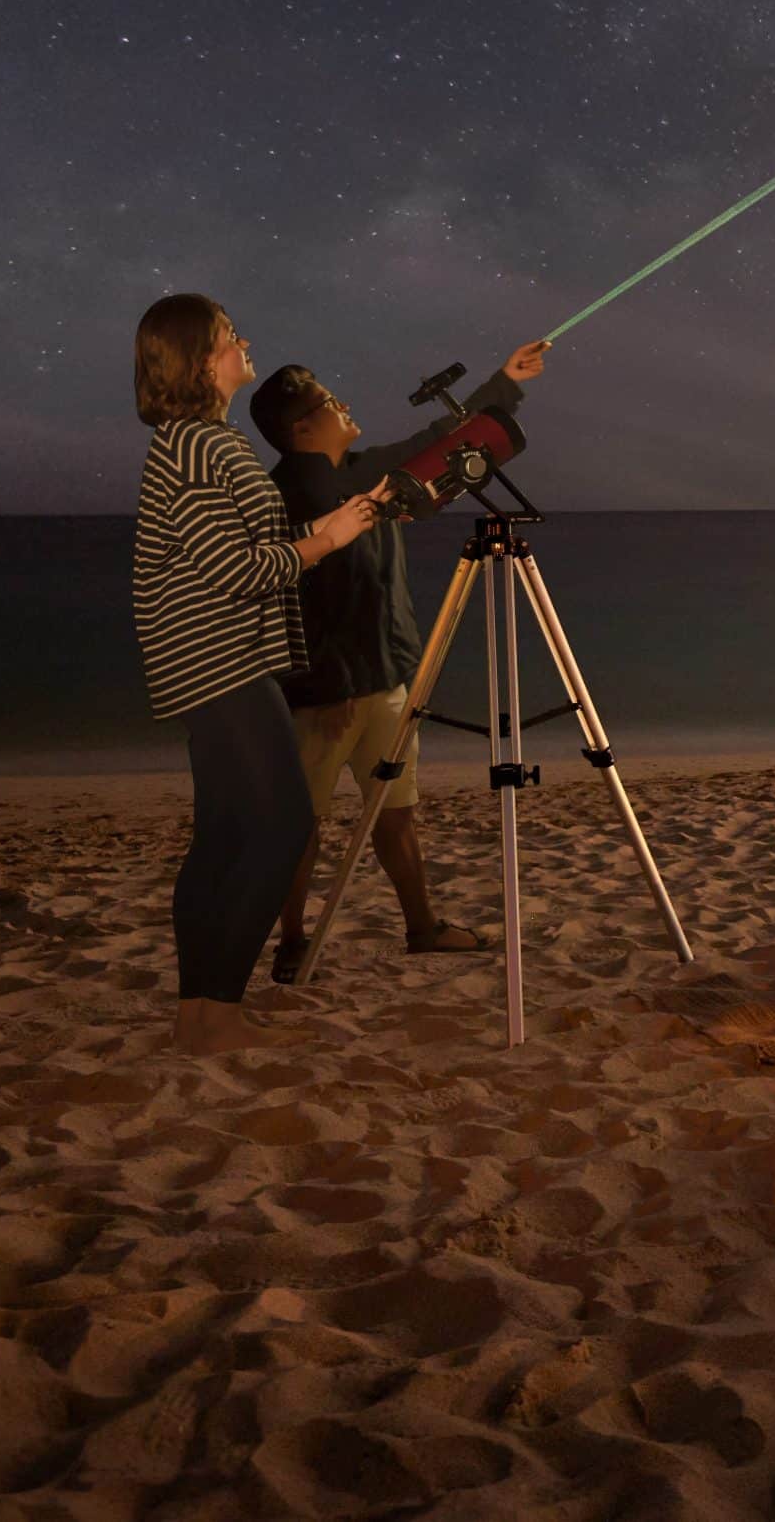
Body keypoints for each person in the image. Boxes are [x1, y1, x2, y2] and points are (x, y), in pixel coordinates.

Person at [131, 294, 387, 1056]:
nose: (245, 341)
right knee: (282, 827)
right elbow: (235, 569)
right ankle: (218, 1007)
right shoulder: (200, 445)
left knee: (222, 838)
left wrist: (342, 521)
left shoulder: (198, 440)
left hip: (208, 660)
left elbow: (255, 544)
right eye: (228, 336)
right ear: (199, 359)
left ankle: (198, 1017)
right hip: (221, 662)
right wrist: (328, 538)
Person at [248, 340, 551, 982]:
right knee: (300, 824)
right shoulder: (282, 498)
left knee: (396, 810)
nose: (343, 403)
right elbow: (279, 604)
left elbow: (439, 437)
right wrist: (321, 689)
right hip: (326, 696)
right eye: (329, 402)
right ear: (302, 427)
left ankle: (421, 927)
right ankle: (293, 943)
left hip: (386, 677)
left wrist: (506, 380)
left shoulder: (362, 471)